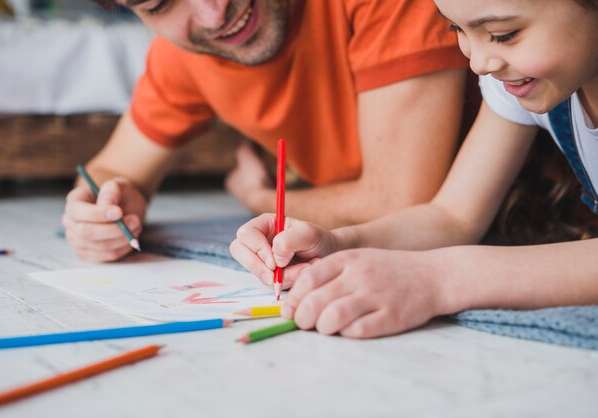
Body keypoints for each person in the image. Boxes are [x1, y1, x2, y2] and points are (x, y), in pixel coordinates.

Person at [230, 0, 598, 339]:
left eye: (504, 34)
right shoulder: (519, 80)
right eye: (457, 30)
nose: (478, 63)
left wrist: (439, 278)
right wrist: (340, 243)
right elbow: (453, 216)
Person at [62, 0, 468, 262]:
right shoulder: (181, 54)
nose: (213, 13)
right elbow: (113, 170)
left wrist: (256, 198)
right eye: (159, 4)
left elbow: (405, 203)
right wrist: (100, 208)